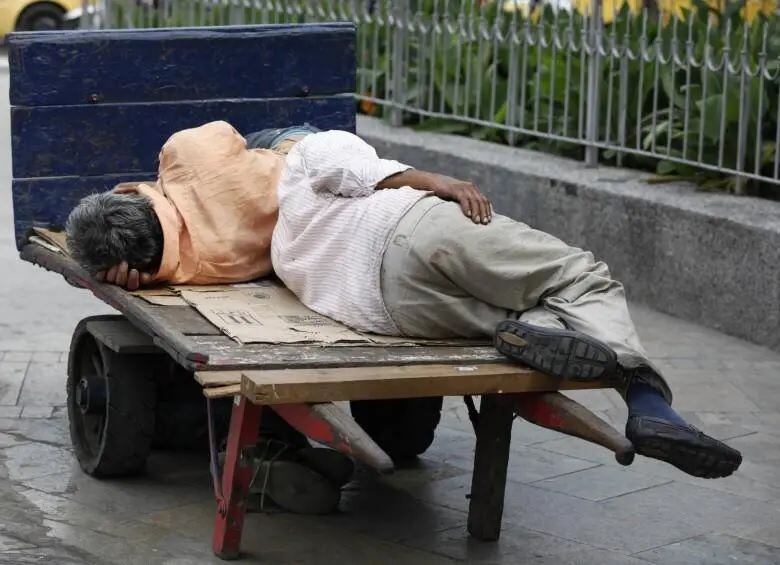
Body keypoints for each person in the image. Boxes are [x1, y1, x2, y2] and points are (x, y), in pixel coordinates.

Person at [66, 125, 742, 480]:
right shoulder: (293, 166)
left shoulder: (243, 265)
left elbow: (165, 265)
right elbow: (348, 164)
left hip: (384, 308)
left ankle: (529, 330)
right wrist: (432, 178)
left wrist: (144, 273)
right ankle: (646, 397)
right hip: (410, 228)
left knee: (520, 315)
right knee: (581, 276)